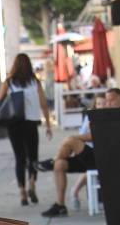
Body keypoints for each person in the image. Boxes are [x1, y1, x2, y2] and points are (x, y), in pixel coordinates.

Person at [38, 88, 120, 217]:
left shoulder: (114, 117)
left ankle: (51, 161)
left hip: (108, 160)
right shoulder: (102, 115)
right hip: (93, 157)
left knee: (71, 141)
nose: (108, 103)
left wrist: (76, 139)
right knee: (60, 165)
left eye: (112, 100)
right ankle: (60, 205)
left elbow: (94, 136)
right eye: (106, 100)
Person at [0, 53, 52, 206]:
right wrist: (48, 124)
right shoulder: (35, 82)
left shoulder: (8, 82)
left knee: (19, 158)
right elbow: (44, 104)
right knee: (33, 157)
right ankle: (32, 184)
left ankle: (22, 192)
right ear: (29, 65)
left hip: (14, 125)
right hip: (31, 123)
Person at [70, 94, 106, 210]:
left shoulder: (111, 115)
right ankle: (75, 191)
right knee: (92, 165)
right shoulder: (90, 116)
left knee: (93, 165)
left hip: (104, 151)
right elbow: (82, 134)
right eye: (100, 103)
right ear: (95, 105)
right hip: (91, 149)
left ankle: (74, 191)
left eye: (104, 103)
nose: (102, 106)